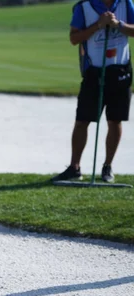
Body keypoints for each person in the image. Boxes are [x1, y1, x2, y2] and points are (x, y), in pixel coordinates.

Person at [52, 0, 134, 183]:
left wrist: (117, 24)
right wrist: (98, 25)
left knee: (115, 120)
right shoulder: (84, 7)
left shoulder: (125, 4)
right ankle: (75, 168)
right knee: (82, 121)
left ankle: (107, 167)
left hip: (120, 71)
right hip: (94, 72)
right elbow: (74, 38)